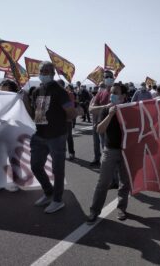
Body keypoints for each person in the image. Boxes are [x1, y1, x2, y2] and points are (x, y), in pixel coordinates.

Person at [30, 61, 77, 214]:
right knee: (36, 166)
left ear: (53, 73)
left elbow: (70, 112)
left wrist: (62, 121)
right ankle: (48, 192)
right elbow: (34, 114)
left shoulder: (60, 91)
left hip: (56, 136)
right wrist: (23, 99)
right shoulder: (37, 90)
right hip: (39, 135)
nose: (44, 73)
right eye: (42, 70)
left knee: (58, 169)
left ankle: (57, 200)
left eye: (47, 70)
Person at [86, 84, 131, 224]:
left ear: (123, 96)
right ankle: (94, 211)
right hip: (110, 150)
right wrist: (111, 114)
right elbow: (99, 130)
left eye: (115, 93)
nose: (112, 95)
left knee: (125, 182)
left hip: (126, 151)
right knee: (103, 182)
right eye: (111, 92)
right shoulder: (106, 109)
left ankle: (121, 208)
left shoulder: (130, 109)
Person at [88, 70, 115, 166]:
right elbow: (91, 109)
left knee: (113, 152)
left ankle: (114, 177)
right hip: (102, 125)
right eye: (106, 77)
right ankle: (109, 175)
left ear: (114, 78)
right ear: (103, 79)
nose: (108, 78)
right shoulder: (100, 94)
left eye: (110, 77)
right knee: (104, 148)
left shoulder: (119, 93)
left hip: (115, 128)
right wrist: (105, 107)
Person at [57, 80, 76, 161]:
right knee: (61, 138)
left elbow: (71, 106)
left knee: (68, 137)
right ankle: (63, 153)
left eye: (57, 85)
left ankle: (71, 153)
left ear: (61, 85)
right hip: (59, 120)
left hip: (67, 119)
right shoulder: (56, 94)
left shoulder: (69, 94)